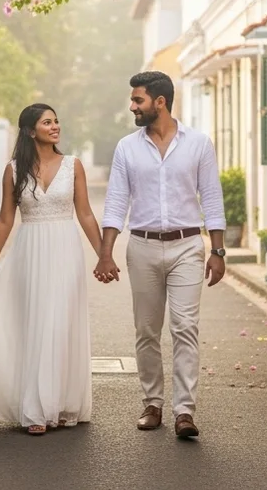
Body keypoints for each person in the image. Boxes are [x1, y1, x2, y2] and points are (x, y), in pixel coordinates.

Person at [94, 71, 227, 440]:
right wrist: (106, 253)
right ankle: (152, 403)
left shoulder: (198, 143)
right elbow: (117, 202)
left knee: (185, 328)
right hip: (143, 246)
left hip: (187, 246)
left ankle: (184, 410)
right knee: (146, 330)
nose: (132, 106)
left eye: (138, 100)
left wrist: (217, 250)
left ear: (160, 102)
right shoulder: (127, 147)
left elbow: (211, 196)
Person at [0, 104, 104, 435]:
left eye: (56, 121)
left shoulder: (73, 166)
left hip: (66, 250)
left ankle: (64, 402)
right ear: (30, 130)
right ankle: (36, 409)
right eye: (47, 122)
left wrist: (103, 255)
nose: (55, 126)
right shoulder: (13, 170)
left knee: (60, 323)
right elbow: (5, 219)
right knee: (36, 323)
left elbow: (84, 214)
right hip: (29, 251)